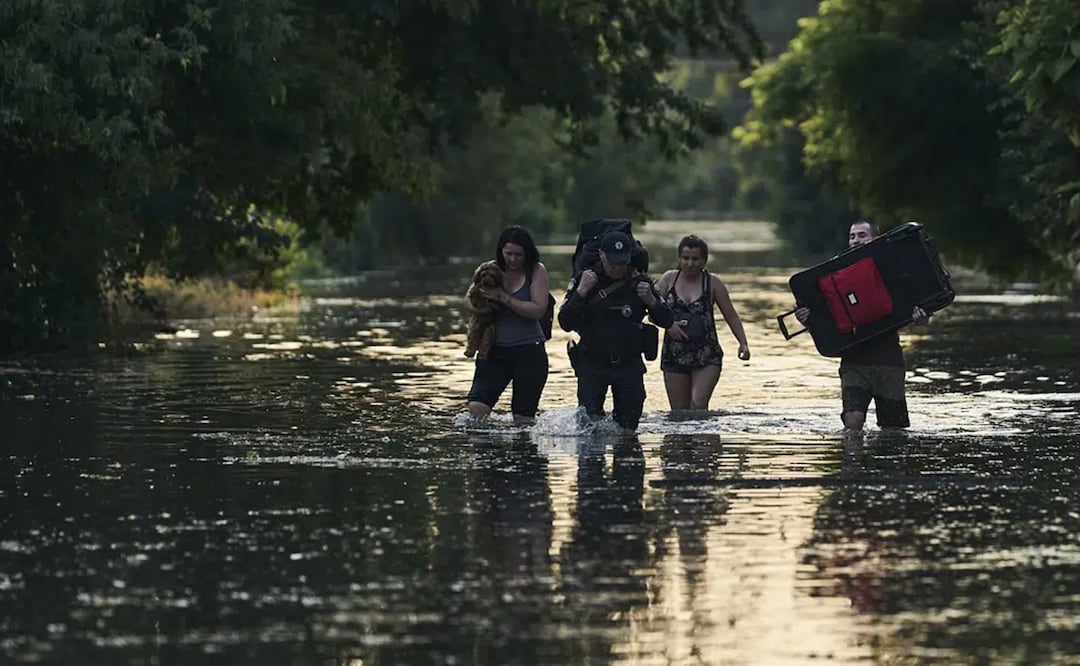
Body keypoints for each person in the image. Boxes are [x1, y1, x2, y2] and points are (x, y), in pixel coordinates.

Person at [795, 220, 930, 430]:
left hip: (889, 362)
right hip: (853, 363)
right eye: (852, 236)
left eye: (862, 235)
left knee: (893, 431)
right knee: (852, 423)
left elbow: (916, 311)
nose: (856, 240)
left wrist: (921, 318)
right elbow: (825, 323)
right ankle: (853, 461)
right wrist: (807, 319)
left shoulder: (892, 268)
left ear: (875, 239)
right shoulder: (835, 274)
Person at [558, 230, 674, 432]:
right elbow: (565, 322)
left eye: (622, 263)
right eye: (613, 263)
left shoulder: (641, 282)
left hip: (628, 366)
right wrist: (581, 293)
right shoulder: (585, 280)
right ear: (602, 255)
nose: (618, 268)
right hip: (592, 364)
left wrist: (652, 302)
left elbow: (667, 320)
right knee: (588, 430)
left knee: (629, 430)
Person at [466, 226, 551, 424]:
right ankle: (487, 452)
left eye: (518, 255)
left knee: (523, 419)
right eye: (509, 254)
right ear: (501, 251)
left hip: (529, 351)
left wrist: (503, 297)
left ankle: (523, 453)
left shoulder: (537, 271)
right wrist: (482, 303)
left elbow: (538, 310)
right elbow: (470, 299)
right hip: (494, 350)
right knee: (476, 408)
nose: (513, 259)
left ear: (527, 253)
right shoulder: (489, 269)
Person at [655, 235, 751, 410]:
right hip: (674, 354)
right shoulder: (668, 280)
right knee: (679, 413)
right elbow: (652, 311)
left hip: (707, 354)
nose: (690, 263)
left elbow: (731, 315)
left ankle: (703, 438)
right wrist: (668, 325)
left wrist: (743, 342)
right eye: (685, 258)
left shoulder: (713, 283)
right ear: (679, 258)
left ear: (704, 260)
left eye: (695, 259)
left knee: (698, 404)